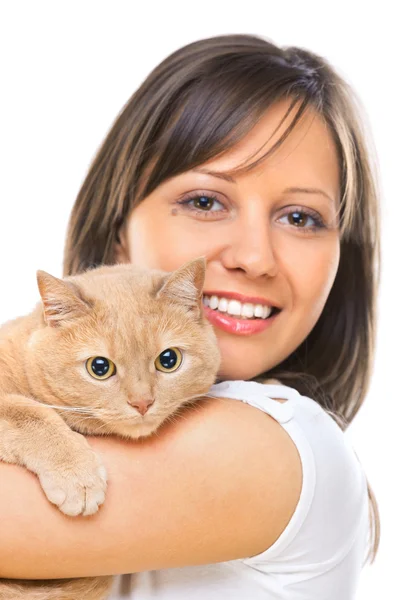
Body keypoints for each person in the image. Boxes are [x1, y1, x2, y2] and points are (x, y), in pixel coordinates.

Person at [0, 33, 380, 599]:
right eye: (206, 201)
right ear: (117, 231)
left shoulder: (275, 442)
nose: (253, 257)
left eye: (301, 217)